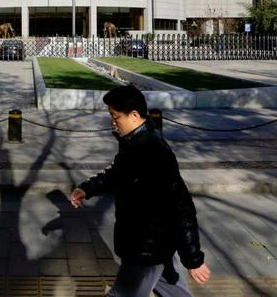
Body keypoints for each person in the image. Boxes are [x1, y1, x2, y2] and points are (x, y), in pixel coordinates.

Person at [70, 84, 210, 296]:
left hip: (145, 246)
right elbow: (117, 174)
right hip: (152, 243)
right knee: (174, 290)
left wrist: (194, 260)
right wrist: (87, 189)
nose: (113, 122)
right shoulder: (133, 142)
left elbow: (180, 206)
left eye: (115, 117)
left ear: (134, 115)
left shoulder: (153, 151)